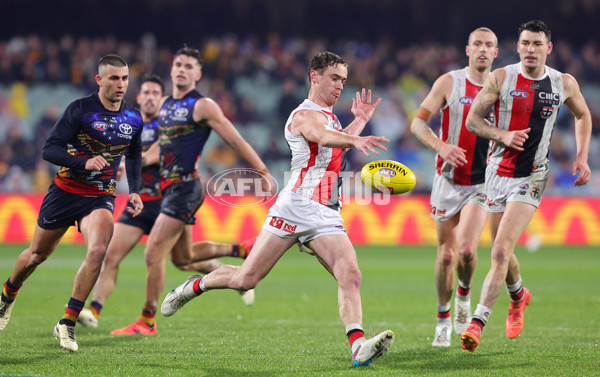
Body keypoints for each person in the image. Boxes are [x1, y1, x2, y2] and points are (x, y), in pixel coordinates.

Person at [162, 51, 395, 367]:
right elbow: (322, 137)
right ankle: (193, 286)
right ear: (314, 76)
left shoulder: (332, 117)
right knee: (245, 280)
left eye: (343, 79)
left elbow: (336, 140)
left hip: (326, 213)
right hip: (295, 208)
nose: (341, 85)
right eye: (334, 78)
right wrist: (355, 139)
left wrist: (360, 121)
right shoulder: (304, 115)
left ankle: (357, 347)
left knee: (350, 275)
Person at [77, 74, 256, 333]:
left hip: (171, 200)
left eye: (155, 94)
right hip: (141, 204)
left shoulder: (171, 126)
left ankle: (150, 317)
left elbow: (158, 155)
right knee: (111, 254)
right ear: (138, 98)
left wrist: (127, 165)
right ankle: (94, 309)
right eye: (145, 93)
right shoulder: (129, 126)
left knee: (178, 258)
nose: (149, 97)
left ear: (161, 100)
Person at [114, 47, 274, 335]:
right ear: (171, 68)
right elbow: (161, 145)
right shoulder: (164, 105)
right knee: (182, 257)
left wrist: (261, 170)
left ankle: (147, 321)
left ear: (197, 74)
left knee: (153, 253)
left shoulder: (202, 106)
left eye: (189, 66)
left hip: (185, 187)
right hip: (170, 187)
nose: (181, 69)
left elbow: (234, 140)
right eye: (178, 63)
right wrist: (133, 164)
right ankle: (242, 248)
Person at [460, 20, 592, 352]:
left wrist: (582, 157)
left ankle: (477, 323)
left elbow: (583, 115)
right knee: (500, 252)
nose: (530, 49)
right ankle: (519, 295)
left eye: (536, 43)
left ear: (549, 48)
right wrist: (502, 135)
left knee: (501, 250)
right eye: (524, 43)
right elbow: (473, 120)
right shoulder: (502, 78)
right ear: (517, 47)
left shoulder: (563, 83)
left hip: (532, 176)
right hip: (496, 174)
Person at [0, 54, 144, 352]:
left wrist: (135, 190)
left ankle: (67, 322)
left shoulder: (134, 118)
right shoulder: (80, 109)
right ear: (99, 79)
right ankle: (7, 296)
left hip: (101, 196)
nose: (121, 84)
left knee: (98, 251)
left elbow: (134, 155)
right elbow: (49, 150)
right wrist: (84, 161)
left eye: (125, 78)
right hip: (65, 192)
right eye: (114, 78)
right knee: (36, 255)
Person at [410, 27, 500, 347]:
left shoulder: (503, 85)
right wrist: (440, 146)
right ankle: (442, 319)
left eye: (489, 45)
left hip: (482, 182)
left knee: (465, 251)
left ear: (496, 53)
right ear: (467, 49)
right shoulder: (450, 82)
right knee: (446, 256)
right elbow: (418, 123)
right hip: (447, 179)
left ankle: (464, 295)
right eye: (477, 44)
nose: (483, 50)